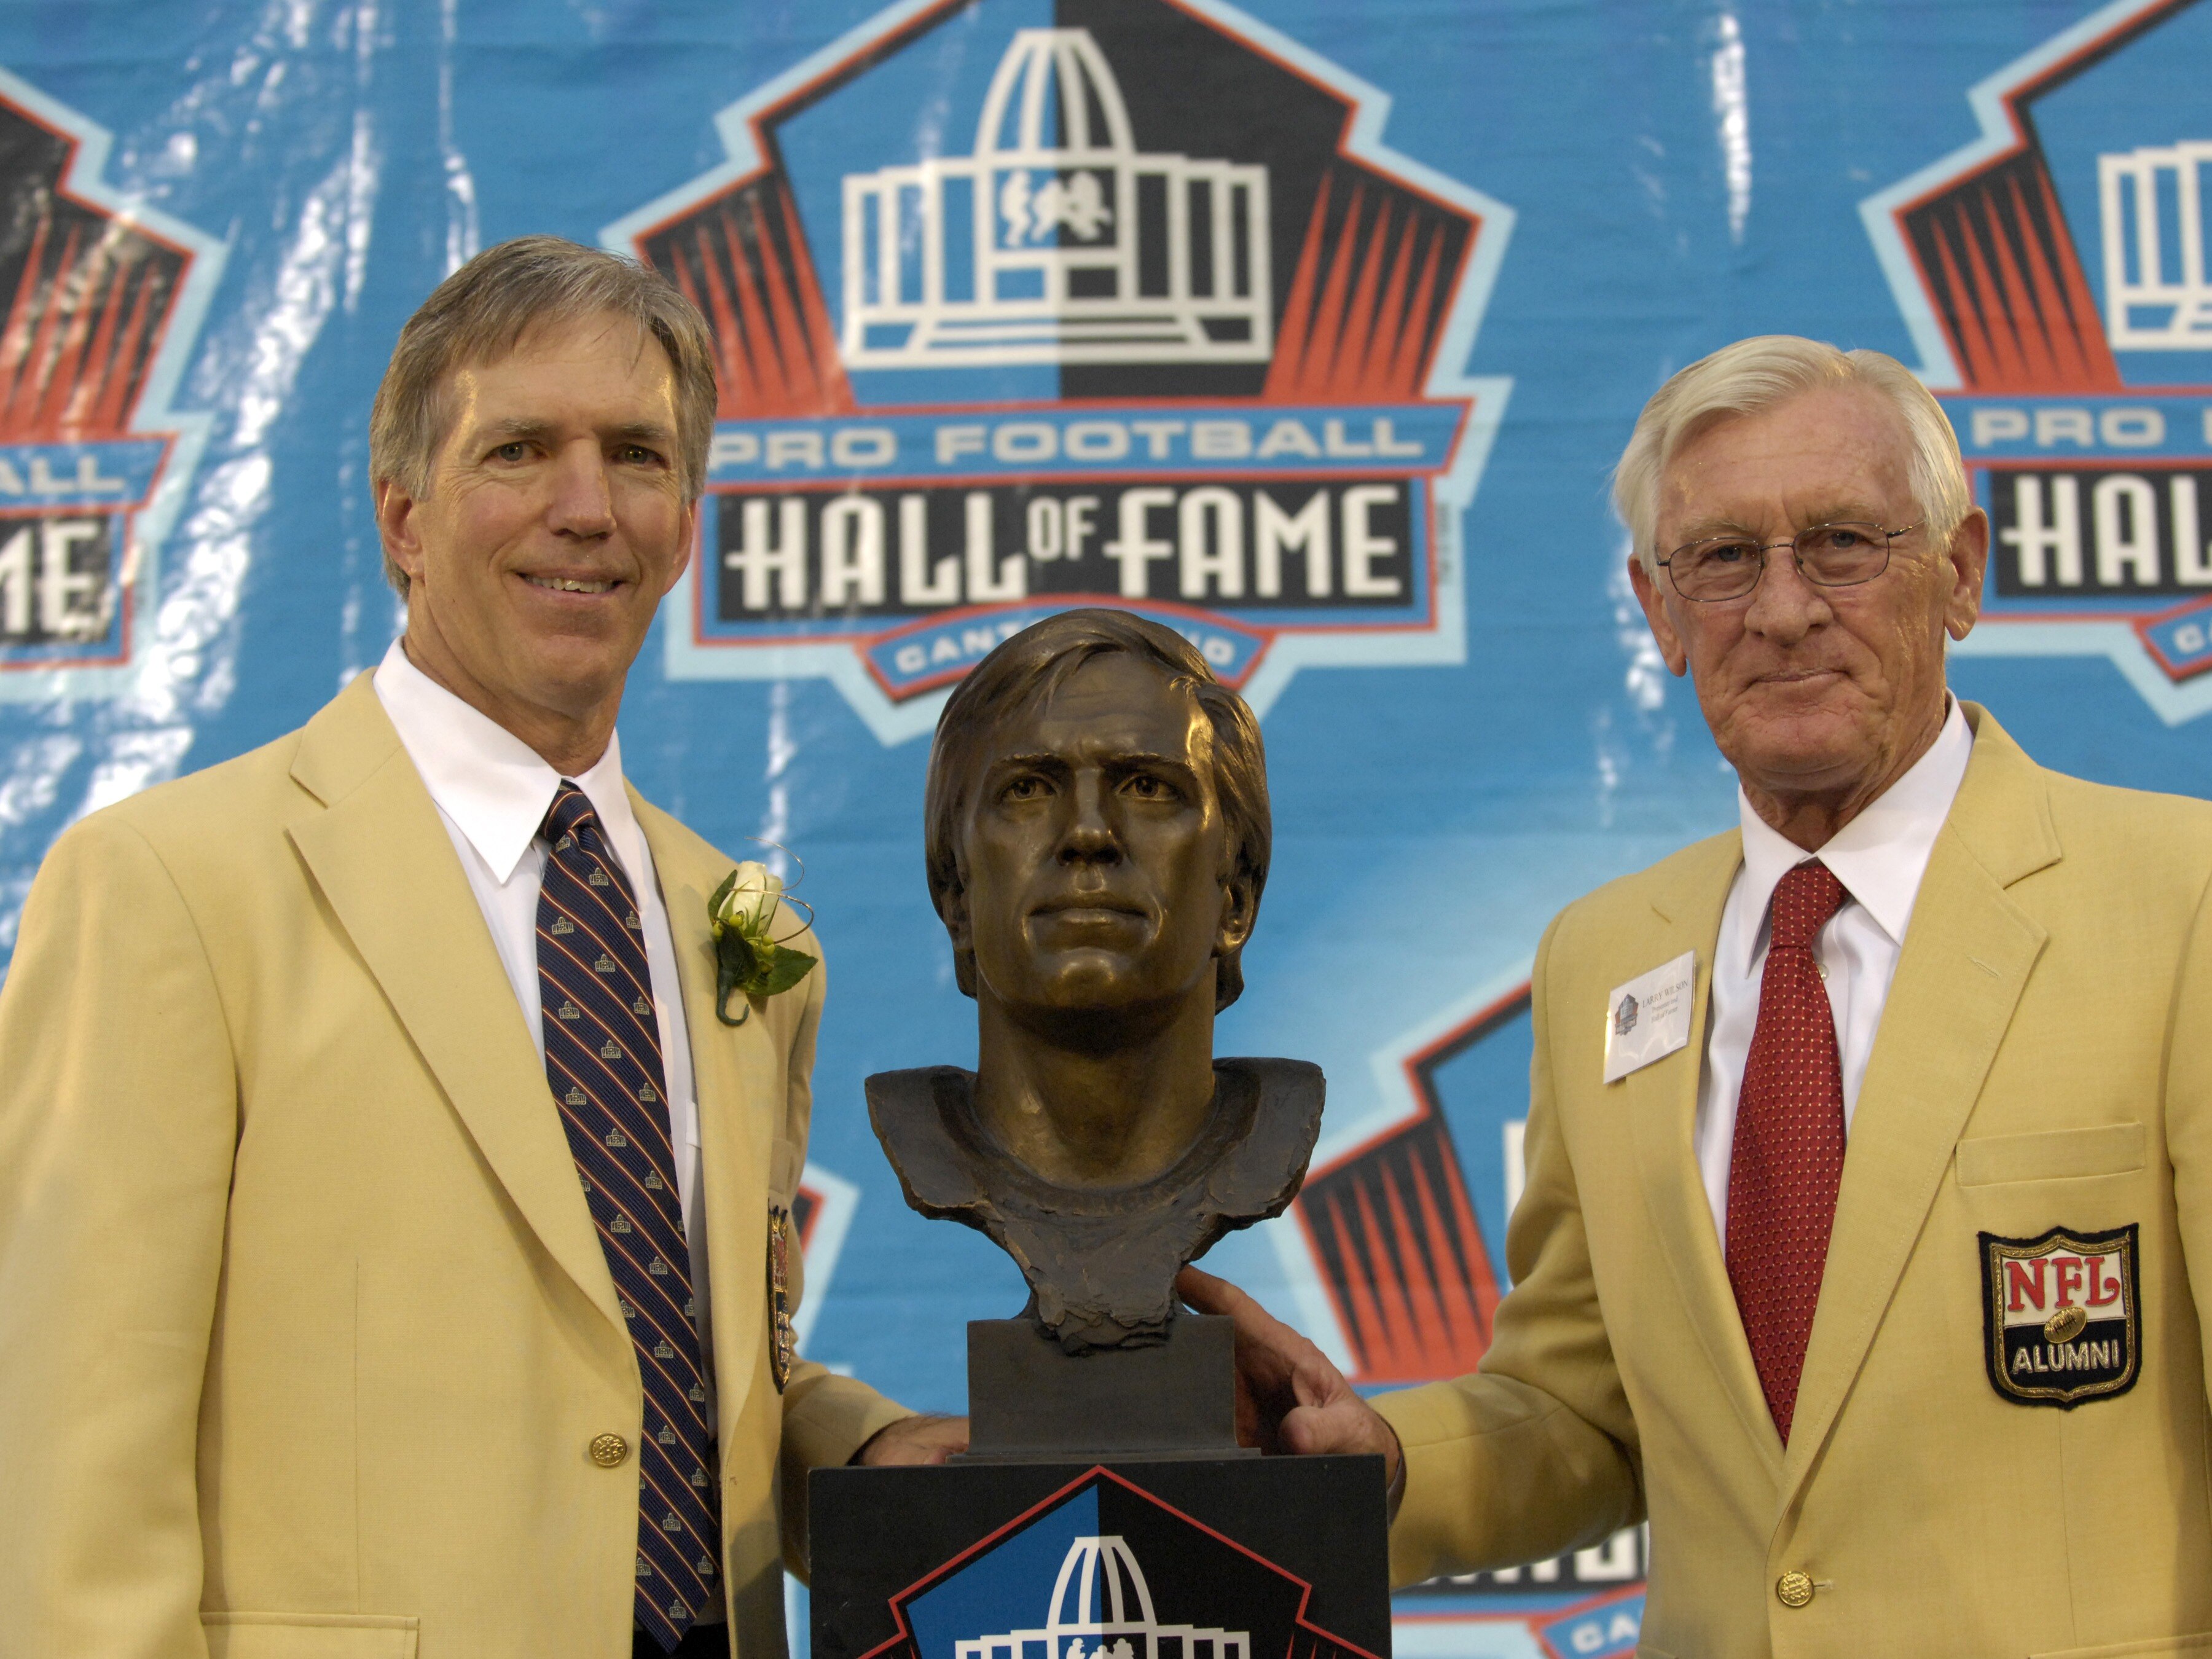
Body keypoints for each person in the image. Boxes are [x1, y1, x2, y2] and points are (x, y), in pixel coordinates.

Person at [0, 235, 960, 1659]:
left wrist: (873, 1449)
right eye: (520, 451)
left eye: (636, 455)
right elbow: (70, 1464)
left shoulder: (747, 932)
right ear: (403, 516)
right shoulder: (169, 889)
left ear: (685, 522)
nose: (586, 508)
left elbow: (666, 1379)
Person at [1180, 336, 2212, 1656]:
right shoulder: (1603, 958)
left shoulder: (2181, 903)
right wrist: (1374, 1457)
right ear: (1659, 612)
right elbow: (1588, 1415)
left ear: (1959, 573)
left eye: (1842, 544)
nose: (1782, 610)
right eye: (1722, 559)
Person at [868, 610, 1320, 1352]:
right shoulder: (923, 1135)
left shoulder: (1273, 1128)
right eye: (1026, 790)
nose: (1087, 833)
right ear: (955, 898)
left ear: (1236, 899)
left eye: (1147, 787)